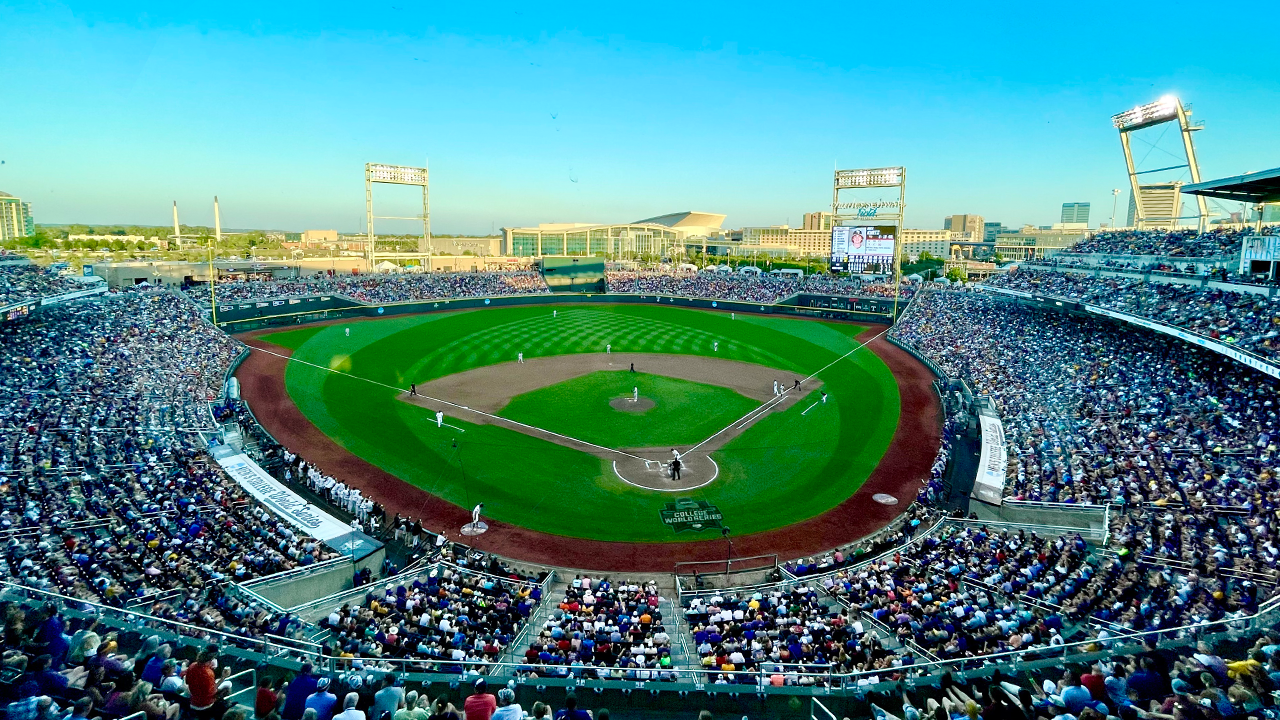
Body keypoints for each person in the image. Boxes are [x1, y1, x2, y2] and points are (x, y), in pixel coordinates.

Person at [183, 646, 219, 720]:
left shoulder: (192, 665)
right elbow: (212, 692)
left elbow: (187, 681)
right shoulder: (209, 673)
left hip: (193, 699)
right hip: (205, 704)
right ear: (211, 660)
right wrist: (223, 677)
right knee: (226, 687)